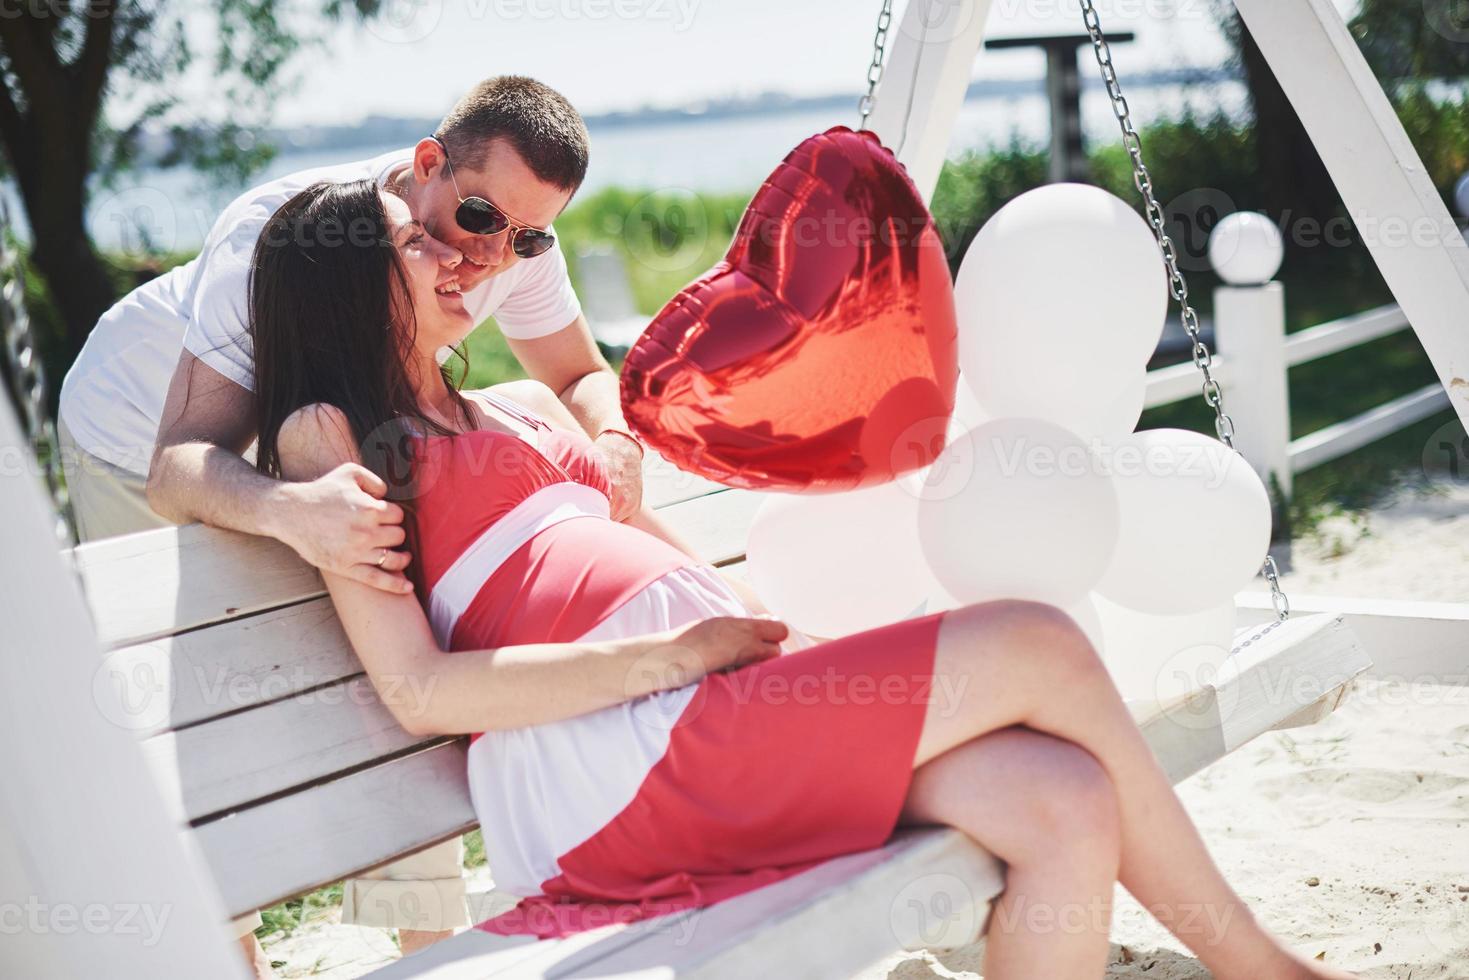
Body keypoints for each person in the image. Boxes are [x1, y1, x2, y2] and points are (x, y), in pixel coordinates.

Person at [248, 176, 1361, 979]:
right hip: (617, 754)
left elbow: (627, 514)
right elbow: (420, 692)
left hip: (708, 714)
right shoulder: (332, 434)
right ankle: (1254, 965)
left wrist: (759, 641)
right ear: (342, 287)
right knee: (1035, 639)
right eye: (416, 246)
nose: (459, 256)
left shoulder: (517, 408)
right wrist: (672, 654)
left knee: (1057, 797)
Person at [55, 76, 643, 976]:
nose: (490, 260)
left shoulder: (511, 246)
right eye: (478, 218)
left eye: (528, 236)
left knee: (387, 665)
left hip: (323, 445)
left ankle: (425, 950)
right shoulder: (280, 231)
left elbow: (574, 372)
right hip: (135, 437)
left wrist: (612, 433)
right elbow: (182, 461)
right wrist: (287, 510)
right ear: (427, 164)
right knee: (189, 721)